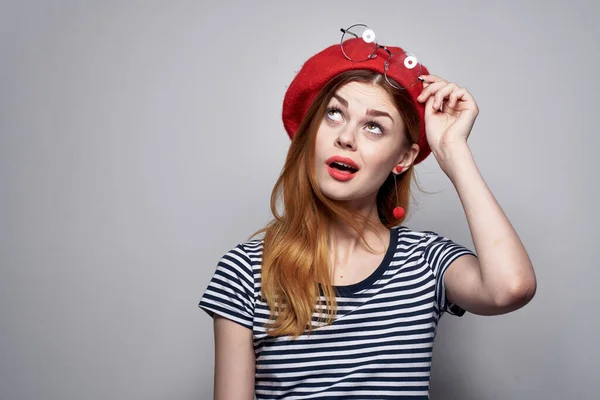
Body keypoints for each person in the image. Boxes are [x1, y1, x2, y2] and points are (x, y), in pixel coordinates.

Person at [198, 23, 537, 400]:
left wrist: (453, 152)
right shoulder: (245, 270)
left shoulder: (425, 261)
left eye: (374, 127)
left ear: (403, 158)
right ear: (311, 133)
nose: (347, 137)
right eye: (334, 114)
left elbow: (511, 288)